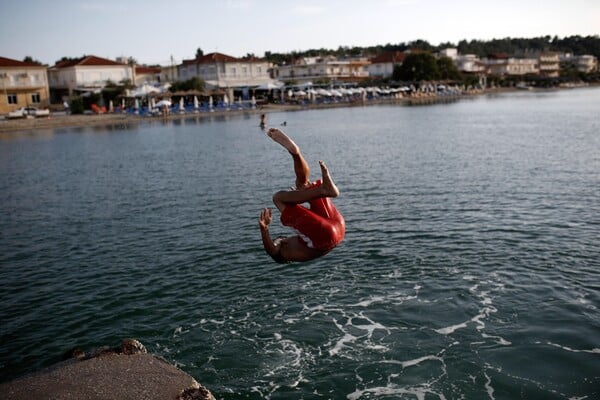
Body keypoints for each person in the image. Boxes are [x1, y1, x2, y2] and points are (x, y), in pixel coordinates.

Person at [259, 128, 345, 263]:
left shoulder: (302, 241)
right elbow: (272, 250)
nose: (279, 240)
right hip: (324, 237)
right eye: (279, 240)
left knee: (302, 186)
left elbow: (309, 226)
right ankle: (324, 190)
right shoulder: (282, 254)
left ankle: (295, 153)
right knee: (278, 198)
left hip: (339, 230)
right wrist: (264, 229)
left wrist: (298, 197)